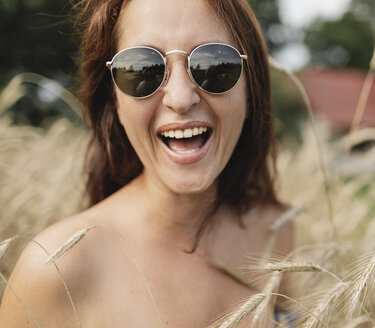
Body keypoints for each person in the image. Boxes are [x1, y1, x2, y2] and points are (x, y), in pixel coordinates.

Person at [0, 0, 294, 327]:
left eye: (214, 64)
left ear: (250, 89)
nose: (181, 98)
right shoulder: (56, 270)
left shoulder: (276, 230)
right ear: (114, 101)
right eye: (142, 69)